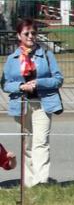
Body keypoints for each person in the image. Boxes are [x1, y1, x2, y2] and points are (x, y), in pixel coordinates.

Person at [3, 18, 63, 186]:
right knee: (27, 143)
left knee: (41, 142)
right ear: (19, 36)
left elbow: (58, 79)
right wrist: (21, 86)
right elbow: (5, 84)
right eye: (26, 33)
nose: (30, 36)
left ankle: (41, 181)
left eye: (33, 33)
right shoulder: (12, 59)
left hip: (43, 103)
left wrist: (39, 83)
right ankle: (29, 182)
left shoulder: (46, 55)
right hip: (21, 105)